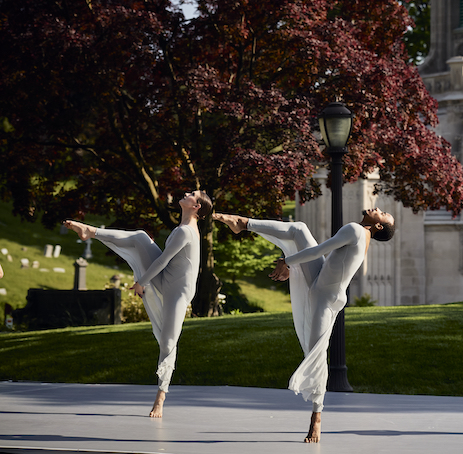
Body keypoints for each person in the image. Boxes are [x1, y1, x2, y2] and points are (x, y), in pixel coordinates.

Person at [213, 208, 395, 443]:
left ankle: (316, 417)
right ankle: (242, 222)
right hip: (321, 280)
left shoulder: (356, 230)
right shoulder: (360, 233)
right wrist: (294, 266)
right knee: (299, 228)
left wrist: (288, 262)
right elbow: (324, 257)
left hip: (325, 298)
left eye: (383, 213)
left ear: (378, 226)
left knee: (316, 355)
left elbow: (321, 250)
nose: (378, 209)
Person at [64, 190, 212, 418]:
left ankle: (160, 397)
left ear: (197, 207)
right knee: (141, 237)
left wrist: (141, 282)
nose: (186, 193)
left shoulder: (186, 232)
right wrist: (143, 281)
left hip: (178, 292)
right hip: (166, 280)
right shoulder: (180, 228)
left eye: (192, 194)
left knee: (168, 342)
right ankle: (90, 231)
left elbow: (163, 260)